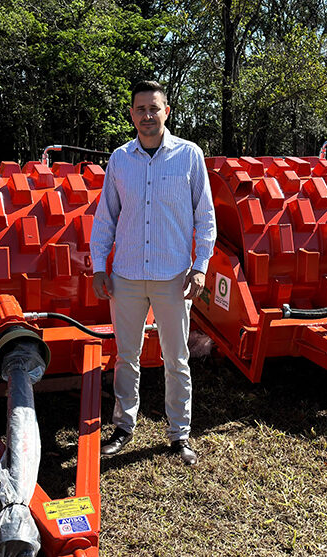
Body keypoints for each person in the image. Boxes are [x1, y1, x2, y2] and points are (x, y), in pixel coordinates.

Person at [90, 80, 216, 465]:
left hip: (173, 278)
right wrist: (99, 266)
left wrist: (200, 267)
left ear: (167, 112)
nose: (147, 116)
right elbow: (106, 217)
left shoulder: (189, 156)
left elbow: (206, 217)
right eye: (140, 109)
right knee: (126, 355)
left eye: (154, 108)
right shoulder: (120, 159)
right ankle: (124, 426)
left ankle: (179, 435)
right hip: (127, 275)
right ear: (131, 114)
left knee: (176, 358)